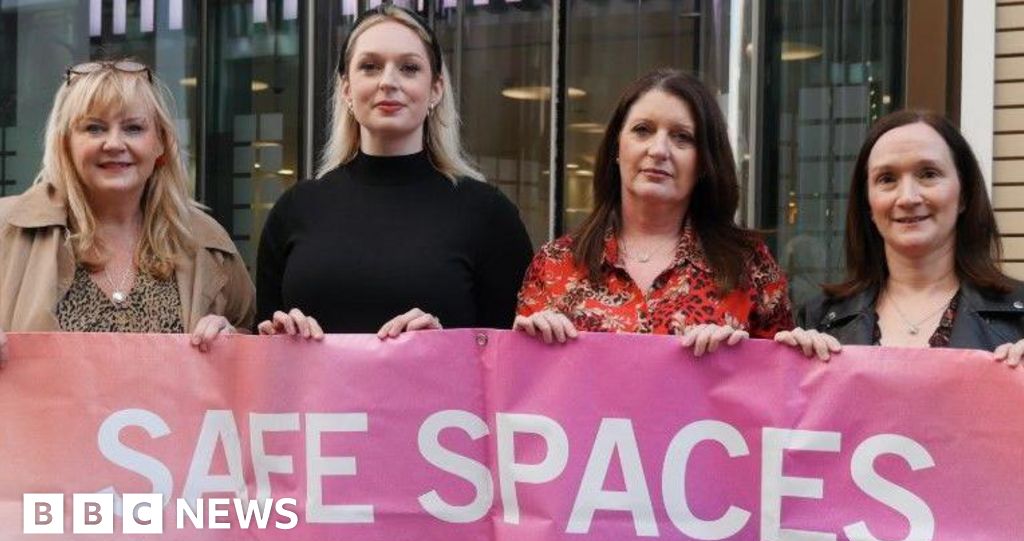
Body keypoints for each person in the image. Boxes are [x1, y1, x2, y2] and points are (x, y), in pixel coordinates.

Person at [256, 5, 532, 340]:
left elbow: (510, 364)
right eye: (370, 67)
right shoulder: (295, 210)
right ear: (346, 89)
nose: (388, 82)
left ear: (436, 89)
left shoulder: (488, 214)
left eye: (409, 68)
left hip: (440, 393)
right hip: (315, 394)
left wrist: (443, 346)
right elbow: (263, 350)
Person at [514, 69, 794, 354]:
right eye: (643, 130)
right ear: (617, 147)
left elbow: (781, 387)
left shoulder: (749, 266)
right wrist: (529, 349)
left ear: (703, 161)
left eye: (682, 137)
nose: (659, 150)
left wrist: (734, 363)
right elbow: (521, 390)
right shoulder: (555, 264)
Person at [0, 60, 256, 367]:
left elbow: (250, 344)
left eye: (133, 128)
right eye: (94, 128)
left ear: (161, 143)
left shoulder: (207, 241)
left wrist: (234, 342)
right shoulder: (8, 228)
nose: (114, 143)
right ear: (65, 143)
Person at [774, 110, 1024, 365]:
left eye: (928, 174)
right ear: (868, 204)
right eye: (887, 179)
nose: (907, 198)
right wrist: (791, 372)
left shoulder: (1019, 317)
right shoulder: (819, 320)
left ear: (964, 194)